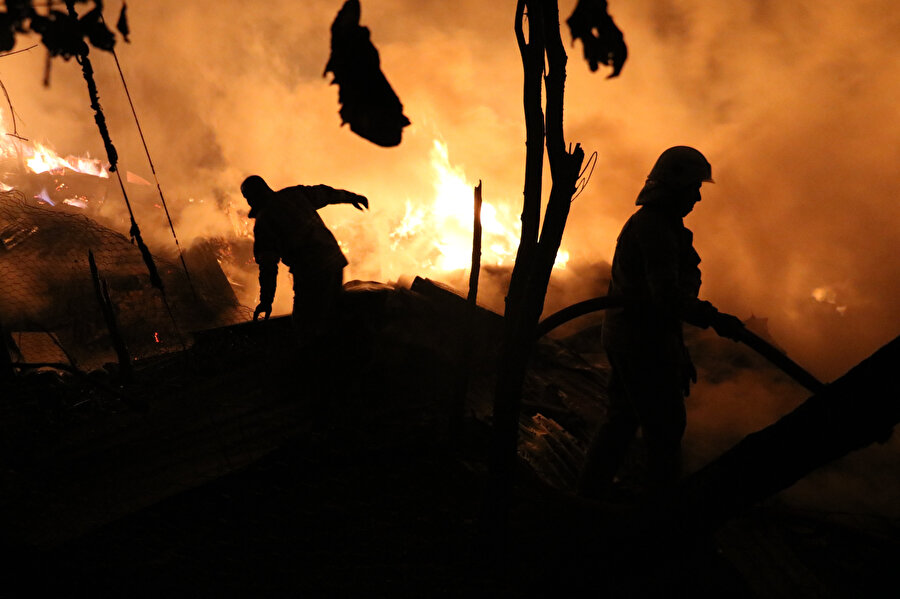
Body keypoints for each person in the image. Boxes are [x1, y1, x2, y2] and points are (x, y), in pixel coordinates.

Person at [577, 146, 745, 499]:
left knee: (622, 419)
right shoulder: (654, 227)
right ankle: (659, 516)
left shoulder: (662, 224)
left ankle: (588, 496)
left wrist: (678, 350)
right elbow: (665, 297)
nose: (698, 197)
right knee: (666, 429)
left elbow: (661, 304)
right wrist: (714, 319)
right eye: (694, 187)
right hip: (640, 343)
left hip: (632, 337)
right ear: (675, 185)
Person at [241, 175, 368, 345]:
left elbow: (268, 267)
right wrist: (353, 197)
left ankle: (315, 363)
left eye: (248, 198)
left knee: (306, 324)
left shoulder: (264, 221)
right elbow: (326, 193)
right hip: (334, 262)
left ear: (252, 197)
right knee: (333, 313)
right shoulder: (295, 195)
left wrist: (266, 301)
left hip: (310, 273)